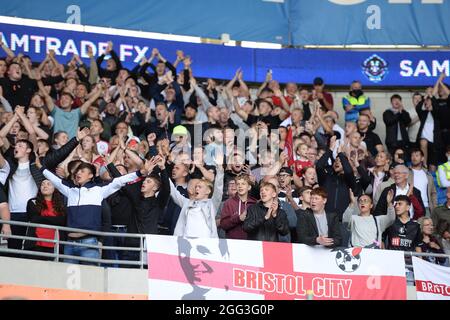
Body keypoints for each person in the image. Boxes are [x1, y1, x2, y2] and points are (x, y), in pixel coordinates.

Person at [41, 159, 151, 265]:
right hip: (69, 243)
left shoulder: (99, 189)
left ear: (91, 175)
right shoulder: (70, 190)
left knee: (91, 280)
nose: (78, 173)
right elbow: (54, 179)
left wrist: (140, 172)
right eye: (77, 171)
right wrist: (40, 167)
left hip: (89, 243)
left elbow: (119, 180)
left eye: (82, 171)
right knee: (68, 283)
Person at [170, 156, 224, 238]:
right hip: (187, 244)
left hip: (205, 245)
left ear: (208, 191)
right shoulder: (187, 202)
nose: (196, 188)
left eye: (200, 187)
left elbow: (219, 189)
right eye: (196, 187)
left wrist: (220, 169)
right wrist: (162, 169)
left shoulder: (212, 204)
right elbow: (173, 192)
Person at [25, 179, 66, 259]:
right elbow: (34, 219)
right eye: (43, 184)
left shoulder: (61, 205)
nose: (45, 186)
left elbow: (62, 221)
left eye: (48, 184)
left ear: (55, 188)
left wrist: (43, 218)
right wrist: (54, 220)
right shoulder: (33, 202)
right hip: (35, 244)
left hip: (54, 245)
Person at [219, 174, 256, 240]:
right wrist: (238, 218)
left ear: (249, 187)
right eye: (238, 184)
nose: (240, 186)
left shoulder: (254, 203)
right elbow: (223, 225)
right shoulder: (229, 203)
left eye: (243, 184)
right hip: (232, 242)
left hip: (251, 242)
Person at [409, 148, 437, 217]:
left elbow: (433, 192)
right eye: (412, 155)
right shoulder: (406, 172)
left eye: (417, 155)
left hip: (426, 207)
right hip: (411, 207)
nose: (414, 158)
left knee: (427, 227)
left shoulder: (428, 174)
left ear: (422, 158)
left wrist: (434, 206)